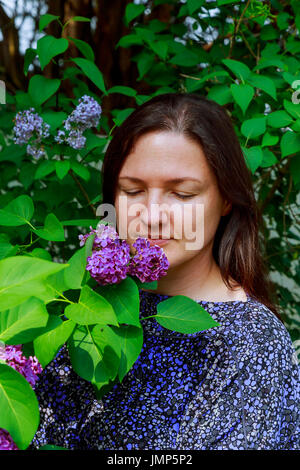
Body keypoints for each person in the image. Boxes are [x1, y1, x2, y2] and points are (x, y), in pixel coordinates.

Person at [29, 92, 299, 450]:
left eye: (182, 194)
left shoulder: (253, 344)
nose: (153, 216)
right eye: (133, 191)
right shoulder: (79, 309)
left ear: (227, 198)